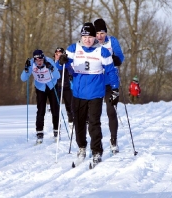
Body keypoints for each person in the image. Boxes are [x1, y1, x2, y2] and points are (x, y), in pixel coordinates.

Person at [57, 22, 120, 167]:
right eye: (85, 36)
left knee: (94, 123)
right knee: (79, 123)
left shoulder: (102, 51)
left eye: (91, 37)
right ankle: (82, 148)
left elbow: (111, 71)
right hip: (78, 93)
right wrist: (62, 61)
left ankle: (97, 151)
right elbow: (61, 65)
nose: (87, 39)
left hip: (96, 93)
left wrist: (115, 89)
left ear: (95, 38)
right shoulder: (74, 49)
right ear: (81, 37)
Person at [94, 18, 125, 154]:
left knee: (111, 112)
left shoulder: (112, 41)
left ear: (106, 33)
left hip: (111, 82)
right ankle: (96, 142)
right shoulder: (90, 44)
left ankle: (113, 140)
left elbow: (120, 56)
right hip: (95, 83)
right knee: (94, 115)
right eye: (97, 34)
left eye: (102, 33)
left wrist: (116, 59)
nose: (100, 37)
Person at [21, 49, 60, 144]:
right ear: (34, 59)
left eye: (41, 60)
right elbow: (23, 78)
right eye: (37, 60)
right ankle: (39, 134)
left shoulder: (49, 61)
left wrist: (52, 68)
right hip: (40, 87)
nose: (39, 62)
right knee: (41, 110)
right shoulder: (31, 63)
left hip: (52, 85)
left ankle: (56, 131)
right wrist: (26, 70)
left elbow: (58, 76)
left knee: (55, 109)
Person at [53, 47, 74, 130]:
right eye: (56, 54)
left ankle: (71, 122)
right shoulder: (52, 64)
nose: (58, 56)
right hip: (56, 87)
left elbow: (72, 72)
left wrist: (70, 72)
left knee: (69, 106)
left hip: (66, 87)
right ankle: (57, 126)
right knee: (56, 108)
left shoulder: (66, 63)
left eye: (60, 54)